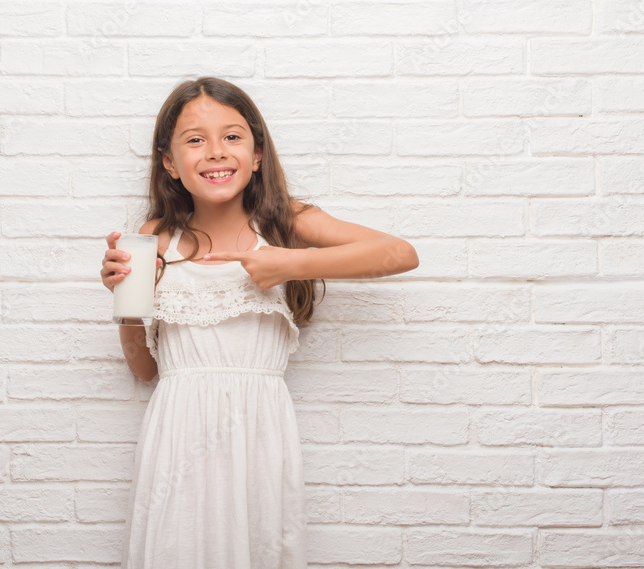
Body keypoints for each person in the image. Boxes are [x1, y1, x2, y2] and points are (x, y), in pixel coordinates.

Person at [100, 77, 418, 569]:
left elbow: (399, 253)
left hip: (259, 427)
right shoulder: (156, 236)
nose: (214, 152)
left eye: (232, 136)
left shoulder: (285, 223)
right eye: (194, 139)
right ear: (169, 162)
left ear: (257, 154)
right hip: (177, 428)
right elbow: (144, 371)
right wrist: (124, 300)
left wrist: (292, 264)